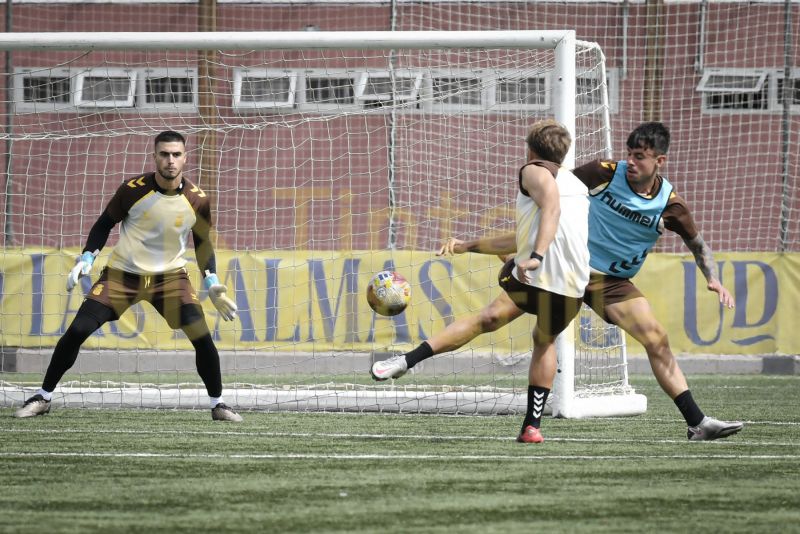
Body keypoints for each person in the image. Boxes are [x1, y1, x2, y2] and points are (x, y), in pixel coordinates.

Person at [371, 121, 744, 442]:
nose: (631, 161)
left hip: (609, 281)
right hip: (562, 267)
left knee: (656, 339)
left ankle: (697, 423)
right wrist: (525, 243)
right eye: (629, 153)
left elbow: (698, 245)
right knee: (492, 320)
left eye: (640, 156)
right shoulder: (600, 172)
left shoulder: (670, 205)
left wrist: (713, 279)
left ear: (659, 161)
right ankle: (409, 360)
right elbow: (553, 190)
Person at [377, 119, 591, 444]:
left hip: (540, 272)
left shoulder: (533, 171)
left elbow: (551, 208)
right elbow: (521, 238)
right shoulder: (576, 183)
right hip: (574, 283)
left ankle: (407, 360)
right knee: (542, 340)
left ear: (531, 149)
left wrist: (537, 255)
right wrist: (467, 247)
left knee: (484, 319)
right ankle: (532, 427)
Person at [14, 131, 243, 422]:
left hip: (170, 279)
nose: (170, 161)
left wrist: (211, 280)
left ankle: (219, 405)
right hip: (123, 276)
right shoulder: (132, 190)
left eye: (176, 154)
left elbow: (203, 244)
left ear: (185, 158)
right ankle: (43, 397)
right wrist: (88, 256)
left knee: (202, 337)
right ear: (154, 157)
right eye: (164, 154)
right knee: (78, 329)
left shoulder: (197, 200)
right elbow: (103, 224)